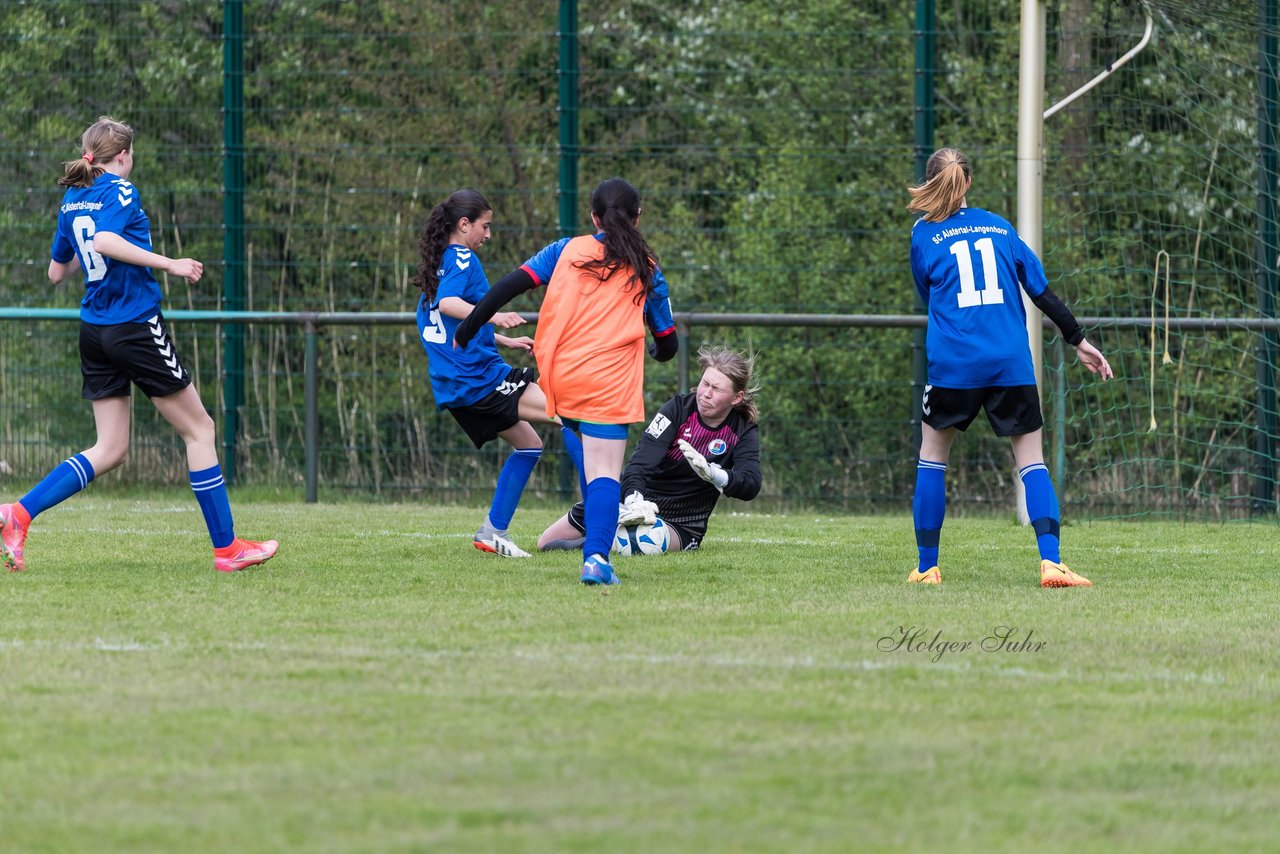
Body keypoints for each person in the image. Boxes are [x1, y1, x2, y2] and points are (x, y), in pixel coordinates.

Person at [0, 116, 277, 573]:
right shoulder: (121, 190)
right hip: (133, 326)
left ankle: (19, 514)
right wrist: (171, 263)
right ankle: (228, 550)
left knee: (110, 448)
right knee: (200, 430)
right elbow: (106, 240)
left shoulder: (72, 198)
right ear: (123, 156)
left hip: (95, 330)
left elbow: (56, 272)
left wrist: (84, 248)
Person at [906, 147, 1113, 588]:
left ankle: (927, 569)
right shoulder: (999, 226)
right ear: (969, 184)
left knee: (932, 459)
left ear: (931, 182)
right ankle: (1051, 563)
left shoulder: (922, 234)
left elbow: (927, 295)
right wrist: (1078, 339)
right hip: (1010, 364)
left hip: (954, 366)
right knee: (1031, 461)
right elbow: (1041, 291)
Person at [455, 177, 678, 586]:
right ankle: (596, 558)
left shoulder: (565, 250)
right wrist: (658, 351)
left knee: (585, 450)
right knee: (606, 471)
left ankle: (588, 535)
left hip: (562, 376)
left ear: (594, 217)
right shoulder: (647, 269)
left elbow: (508, 285)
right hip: (608, 381)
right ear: (638, 218)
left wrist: (469, 326)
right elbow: (667, 341)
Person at [412, 189, 585, 557]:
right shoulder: (461, 258)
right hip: (480, 380)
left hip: (457, 386)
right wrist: (494, 315)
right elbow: (451, 304)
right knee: (572, 414)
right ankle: (604, 519)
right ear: (464, 225)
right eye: (484, 226)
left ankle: (493, 531)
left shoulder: (438, 264)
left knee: (529, 445)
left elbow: (447, 319)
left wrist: (502, 339)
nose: (487, 235)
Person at [538, 345, 761, 554]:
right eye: (705, 383)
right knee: (546, 542)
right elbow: (640, 464)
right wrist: (634, 502)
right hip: (636, 503)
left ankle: (600, 543)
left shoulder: (743, 430)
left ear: (737, 397)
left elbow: (750, 484)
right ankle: (607, 535)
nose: (706, 393)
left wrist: (716, 475)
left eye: (716, 389)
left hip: (681, 523)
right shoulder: (679, 409)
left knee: (645, 542)